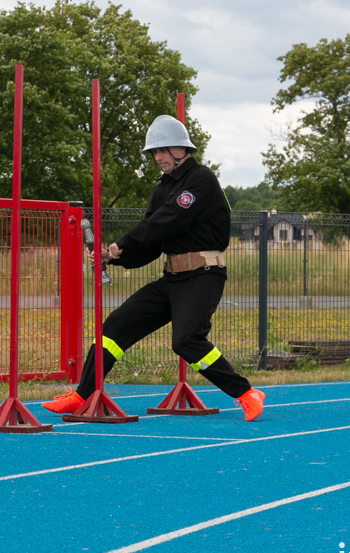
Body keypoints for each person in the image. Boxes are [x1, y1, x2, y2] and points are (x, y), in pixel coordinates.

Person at [41, 115, 265, 421]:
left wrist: (123, 241)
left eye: (162, 150)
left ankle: (245, 393)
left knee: (186, 341)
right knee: (112, 329)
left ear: (180, 149)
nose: (157, 157)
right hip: (171, 277)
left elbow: (168, 219)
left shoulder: (201, 180)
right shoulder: (161, 189)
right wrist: (114, 256)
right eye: (154, 153)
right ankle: (81, 395)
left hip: (204, 275)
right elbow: (152, 241)